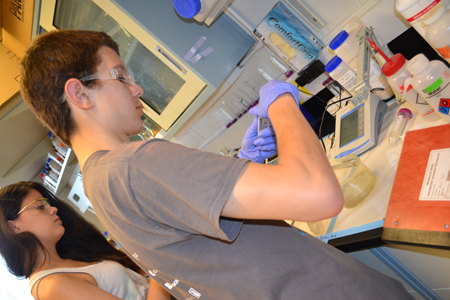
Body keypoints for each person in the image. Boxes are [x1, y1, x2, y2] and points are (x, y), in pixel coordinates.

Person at [20, 29, 414, 299]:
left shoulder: (100, 184)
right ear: (80, 94)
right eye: (120, 75)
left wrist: (240, 168)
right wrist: (281, 101)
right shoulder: (135, 163)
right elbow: (319, 194)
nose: (137, 88)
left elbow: (192, 252)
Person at [0, 181, 170, 300]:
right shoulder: (49, 286)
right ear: (14, 227)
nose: (53, 209)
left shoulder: (68, 259)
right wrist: (160, 263)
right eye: (40, 206)